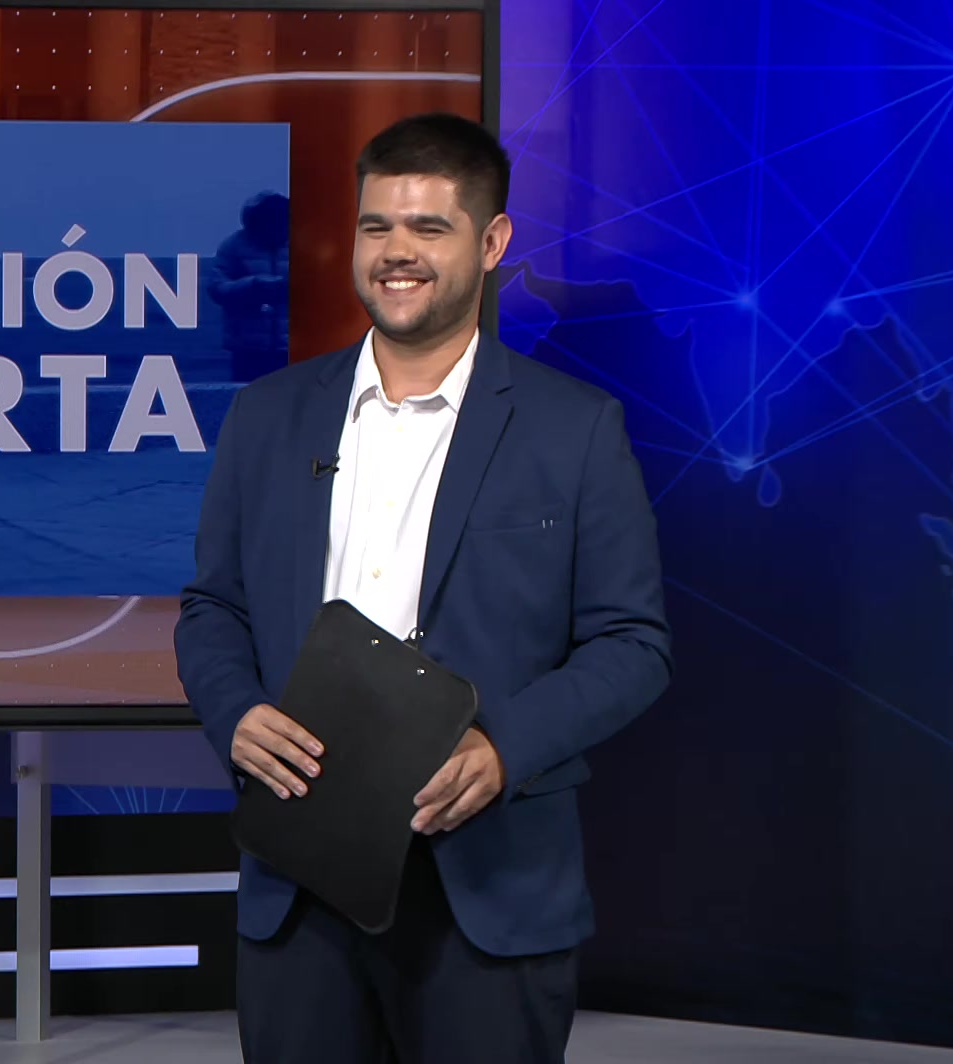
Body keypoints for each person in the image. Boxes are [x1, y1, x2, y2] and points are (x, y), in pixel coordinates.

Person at [175, 113, 672, 1063]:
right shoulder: (268, 415)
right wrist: (234, 713)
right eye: (377, 227)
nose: (396, 252)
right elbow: (214, 608)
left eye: (428, 228)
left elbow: (633, 644)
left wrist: (505, 747)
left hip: (489, 890)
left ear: (492, 242)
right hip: (300, 882)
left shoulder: (574, 429)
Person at [205, 190, 291, 382]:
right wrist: (252, 286)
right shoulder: (233, 246)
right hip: (248, 348)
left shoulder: (307, 243)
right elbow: (216, 287)